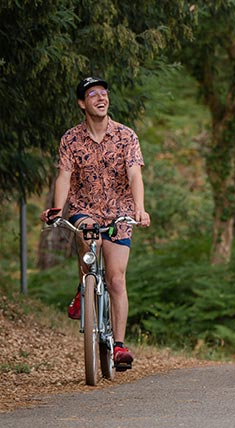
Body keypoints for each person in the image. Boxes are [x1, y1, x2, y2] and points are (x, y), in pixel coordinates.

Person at [40, 76, 151, 369]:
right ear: (82, 103)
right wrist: (56, 208)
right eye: (93, 95)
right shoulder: (71, 139)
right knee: (92, 239)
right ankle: (85, 287)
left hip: (120, 211)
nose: (101, 98)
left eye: (104, 93)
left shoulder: (126, 136)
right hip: (84, 208)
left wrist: (139, 209)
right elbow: (63, 176)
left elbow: (134, 174)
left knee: (116, 279)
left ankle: (119, 345)